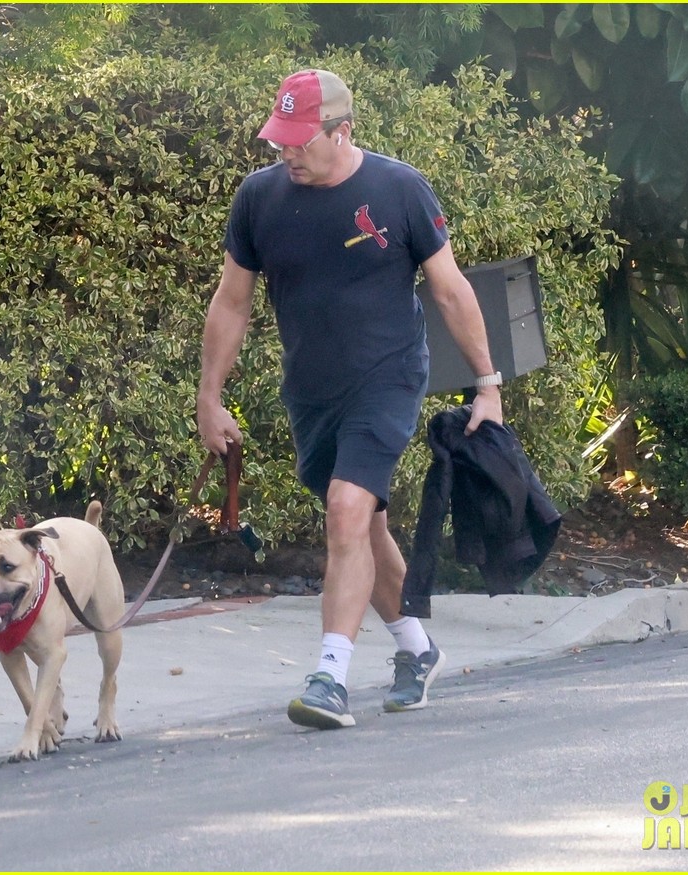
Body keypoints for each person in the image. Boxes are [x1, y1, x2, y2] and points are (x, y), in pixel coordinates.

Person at [195, 68, 504, 730]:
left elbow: (449, 290)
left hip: (389, 376)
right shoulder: (259, 198)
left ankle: (330, 675)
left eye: (300, 142)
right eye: (279, 140)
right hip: (313, 390)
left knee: (346, 508)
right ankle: (418, 650)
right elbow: (232, 301)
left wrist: (488, 384)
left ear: (343, 132)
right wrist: (210, 396)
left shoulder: (398, 189)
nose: (286, 153)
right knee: (362, 525)